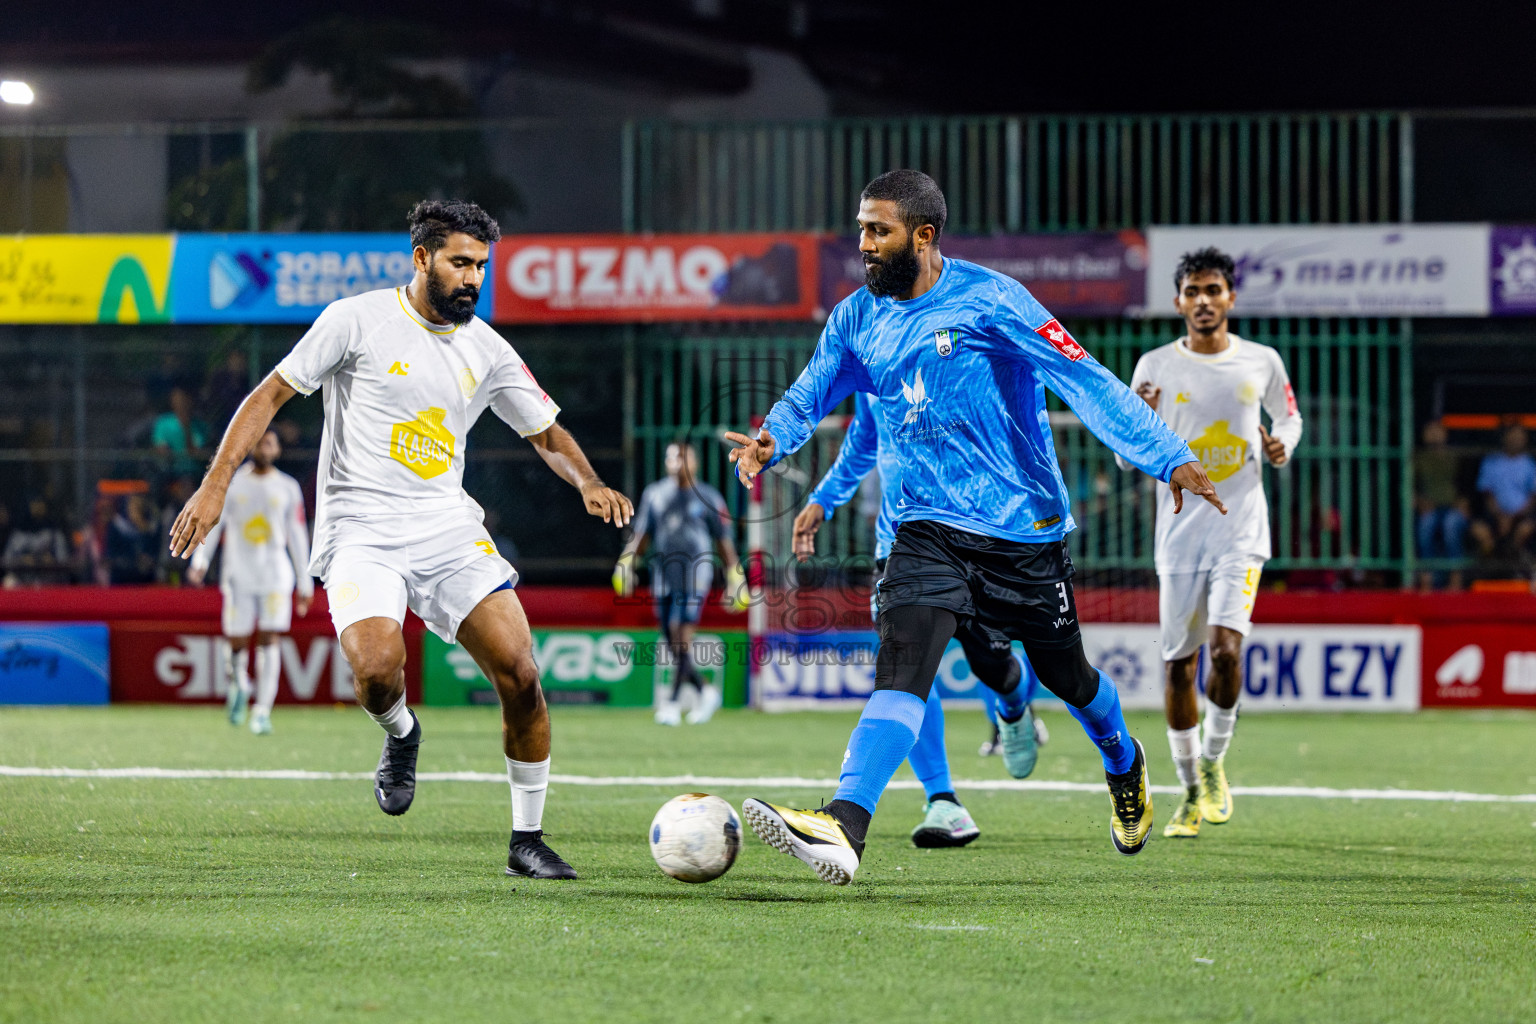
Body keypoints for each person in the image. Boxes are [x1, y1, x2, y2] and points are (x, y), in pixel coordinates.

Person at [726, 170, 1223, 884]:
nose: (862, 244)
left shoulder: (994, 300)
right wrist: (773, 435)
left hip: (1022, 530)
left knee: (1069, 675)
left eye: (879, 230)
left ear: (923, 237)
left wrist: (1167, 456)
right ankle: (845, 825)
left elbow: (1085, 379)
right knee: (903, 667)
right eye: (860, 228)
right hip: (922, 527)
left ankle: (1123, 758)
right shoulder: (856, 318)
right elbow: (815, 386)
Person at [170, 199, 633, 880]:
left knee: (522, 672)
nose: (474, 277)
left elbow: (545, 431)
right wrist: (214, 487)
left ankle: (526, 839)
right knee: (376, 671)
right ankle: (403, 734)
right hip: (360, 530)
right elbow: (268, 395)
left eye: (481, 265)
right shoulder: (356, 320)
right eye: (460, 262)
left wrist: (587, 480)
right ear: (422, 259)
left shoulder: (487, 348)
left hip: (446, 527)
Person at [793, 393, 1045, 849]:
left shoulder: (961, 347)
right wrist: (824, 498)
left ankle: (1013, 702)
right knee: (908, 674)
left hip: (978, 540)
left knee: (992, 664)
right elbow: (863, 441)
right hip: (900, 548)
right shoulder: (872, 363)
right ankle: (943, 800)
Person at [1120, 246, 1303, 839]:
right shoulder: (1153, 366)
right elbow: (1125, 457)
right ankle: (1189, 788)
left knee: (1225, 650)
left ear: (1230, 298)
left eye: (1213, 291)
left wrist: (1282, 444)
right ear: (1178, 302)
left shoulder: (1262, 361)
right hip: (1178, 539)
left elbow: (1290, 418)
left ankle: (1215, 764)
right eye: (1193, 292)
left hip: (1241, 531)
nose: (1204, 301)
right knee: (1179, 666)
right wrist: (1139, 428)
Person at [187, 429, 314, 736]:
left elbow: (297, 535)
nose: (264, 446)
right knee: (237, 641)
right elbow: (214, 524)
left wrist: (305, 581)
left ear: (278, 449)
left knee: (270, 639)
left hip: (275, 576)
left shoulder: (287, 487)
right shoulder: (233, 484)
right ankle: (239, 684)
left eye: (269, 442)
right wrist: (200, 561)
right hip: (238, 575)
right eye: (258, 441)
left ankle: (262, 710)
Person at [614, 441, 746, 726]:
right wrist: (627, 562)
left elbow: (723, 540)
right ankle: (704, 690)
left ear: (694, 462)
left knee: (680, 632)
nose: (677, 463)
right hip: (663, 572)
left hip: (695, 573)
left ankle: (672, 702)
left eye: (683, 457)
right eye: (671, 457)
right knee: (669, 635)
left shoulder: (708, 496)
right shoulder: (655, 494)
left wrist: (735, 574)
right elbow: (642, 534)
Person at [1468, 424, 1536, 565]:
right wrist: (1500, 516)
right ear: (1505, 437)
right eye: (1513, 435)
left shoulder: (1530, 464)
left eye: (1520, 436)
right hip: (1495, 515)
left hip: (1521, 515)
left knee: (1526, 528)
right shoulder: (1491, 462)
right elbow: (1487, 493)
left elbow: (1533, 496)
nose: (1516, 439)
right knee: (1478, 530)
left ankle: (1516, 566)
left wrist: (1514, 516)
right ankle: (1488, 569)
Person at [1414, 421, 1468, 591]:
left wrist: (1463, 503)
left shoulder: (1455, 456)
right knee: (1425, 526)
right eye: (1430, 431)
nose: (1434, 435)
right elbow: (1408, 486)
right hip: (1429, 508)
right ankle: (1427, 580)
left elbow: (1466, 485)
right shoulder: (1418, 457)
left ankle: (1455, 578)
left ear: (1445, 434)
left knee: (1451, 525)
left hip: (1452, 508)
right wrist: (1419, 501)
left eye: (1438, 431)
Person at [1, 498, 73, 587]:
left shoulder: (54, 533)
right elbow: (7, 560)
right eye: (34, 503)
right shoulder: (18, 534)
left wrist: (52, 561)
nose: (37, 508)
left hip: (49, 582)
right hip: (24, 581)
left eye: (40, 503)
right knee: (9, 582)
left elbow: (64, 560)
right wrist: (22, 560)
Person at [151, 386, 209, 480]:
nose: (180, 403)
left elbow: (195, 451)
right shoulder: (163, 422)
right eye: (177, 398)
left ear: (190, 400)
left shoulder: (200, 426)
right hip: (170, 471)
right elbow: (161, 449)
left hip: (195, 471)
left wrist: (186, 426)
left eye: (183, 398)